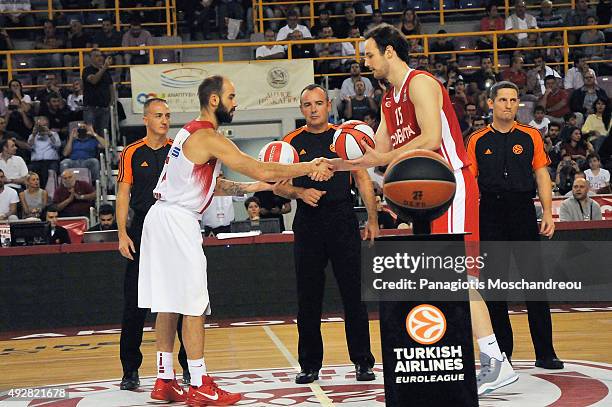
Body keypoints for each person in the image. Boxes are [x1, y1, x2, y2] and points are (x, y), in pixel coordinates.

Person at [339, 23, 517, 395]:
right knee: (437, 278)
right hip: (421, 194)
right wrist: (341, 159)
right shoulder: (388, 99)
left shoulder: (421, 82)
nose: (365, 62)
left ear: (390, 52)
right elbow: (375, 153)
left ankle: (495, 362)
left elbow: (431, 138)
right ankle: (469, 355)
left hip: (450, 184)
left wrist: (384, 158)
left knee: (460, 278)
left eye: (369, 54)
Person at [137, 76, 332, 405]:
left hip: (161, 217)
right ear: (214, 101)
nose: (235, 101)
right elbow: (256, 167)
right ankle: (200, 383)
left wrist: (253, 189)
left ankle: (164, 379)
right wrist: (308, 166)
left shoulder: (189, 133)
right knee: (193, 305)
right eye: (231, 96)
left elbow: (217, 185)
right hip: (177, 221)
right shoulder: (206, 135)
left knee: (168, 303)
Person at [273, 84, 377, 385]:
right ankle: (309, 365)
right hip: (309, 223)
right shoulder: (291, 143)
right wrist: (301, 191)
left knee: (354, 294)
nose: (314, 109)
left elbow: (361, 177)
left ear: (328, 104)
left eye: (319, 103)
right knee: (308, 297)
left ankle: (362, 362)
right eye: (308, 104)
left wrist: (371, 217)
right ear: (301, 108)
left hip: (343, 218)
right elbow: (278, 185)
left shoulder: (344, 137)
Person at [466, 81, 563, 371]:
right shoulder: (477, 140)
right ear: (491, 103)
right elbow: (470, 185)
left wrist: (547, 212)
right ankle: (502, 353)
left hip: (523, 210)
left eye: (513, 100)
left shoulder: (531, 135)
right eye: (503, 100)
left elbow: (542, 175)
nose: (509, 105)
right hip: (491, 214)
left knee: (535, 285)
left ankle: (545, 352)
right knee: (495, 289)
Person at [116, 98, 189, 390]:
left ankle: (187, 365)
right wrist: (122, 233)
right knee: (134, 304)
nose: (164, 120)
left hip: (173, 228)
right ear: (146, 119)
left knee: (181, 303)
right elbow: (123, 194)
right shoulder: (132, 152)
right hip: (142, 231)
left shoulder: (179, 150)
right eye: (158, 115)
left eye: (167, 116)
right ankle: (130, 370)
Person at [82, 48, 114, 138]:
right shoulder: (86, 70)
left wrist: (111, 103)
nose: (100, 58)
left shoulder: (106, 72)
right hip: (90, 108)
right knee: (90, 134)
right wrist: (104, 68)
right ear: (90, 58)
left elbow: (111, 87)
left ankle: (103, 152)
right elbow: (94, 80)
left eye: (101, 56)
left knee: (104, 135)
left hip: (104, 108)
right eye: (96, 56)